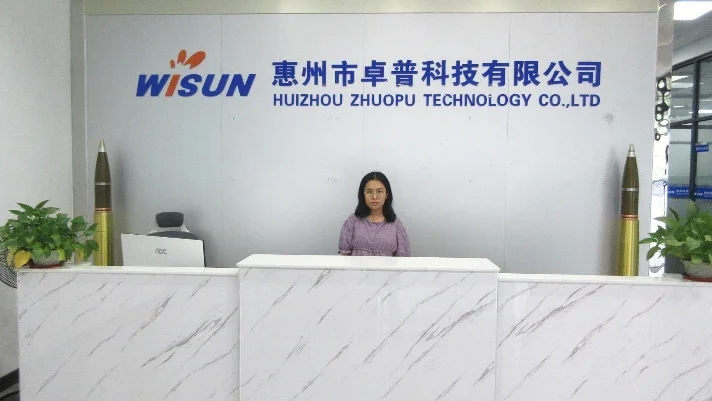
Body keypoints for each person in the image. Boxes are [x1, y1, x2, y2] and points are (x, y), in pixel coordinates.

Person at [338, 172, 411, 257]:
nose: (374, 197)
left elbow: (403, 259)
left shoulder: (396, 225)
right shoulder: (352, 221)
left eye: (380, 191)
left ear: (386, 195)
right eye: (369, 192)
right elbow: (344, 255)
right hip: (356, 266)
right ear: (363, 194)